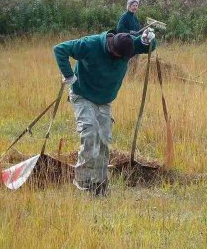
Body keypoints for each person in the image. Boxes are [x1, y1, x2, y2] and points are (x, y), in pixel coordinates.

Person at [54, 29, 156, 195]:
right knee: (90, 133)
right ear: (111, 49)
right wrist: (69, 75)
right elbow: (60, 49)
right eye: (121, 57)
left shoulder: (127, 44)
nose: (124, 60)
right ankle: (83, 182)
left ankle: (99, 184)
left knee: (103, 140)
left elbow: (149, 47)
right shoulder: (90, 44)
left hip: (105, 101)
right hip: (83, 96)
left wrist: (148, 40)